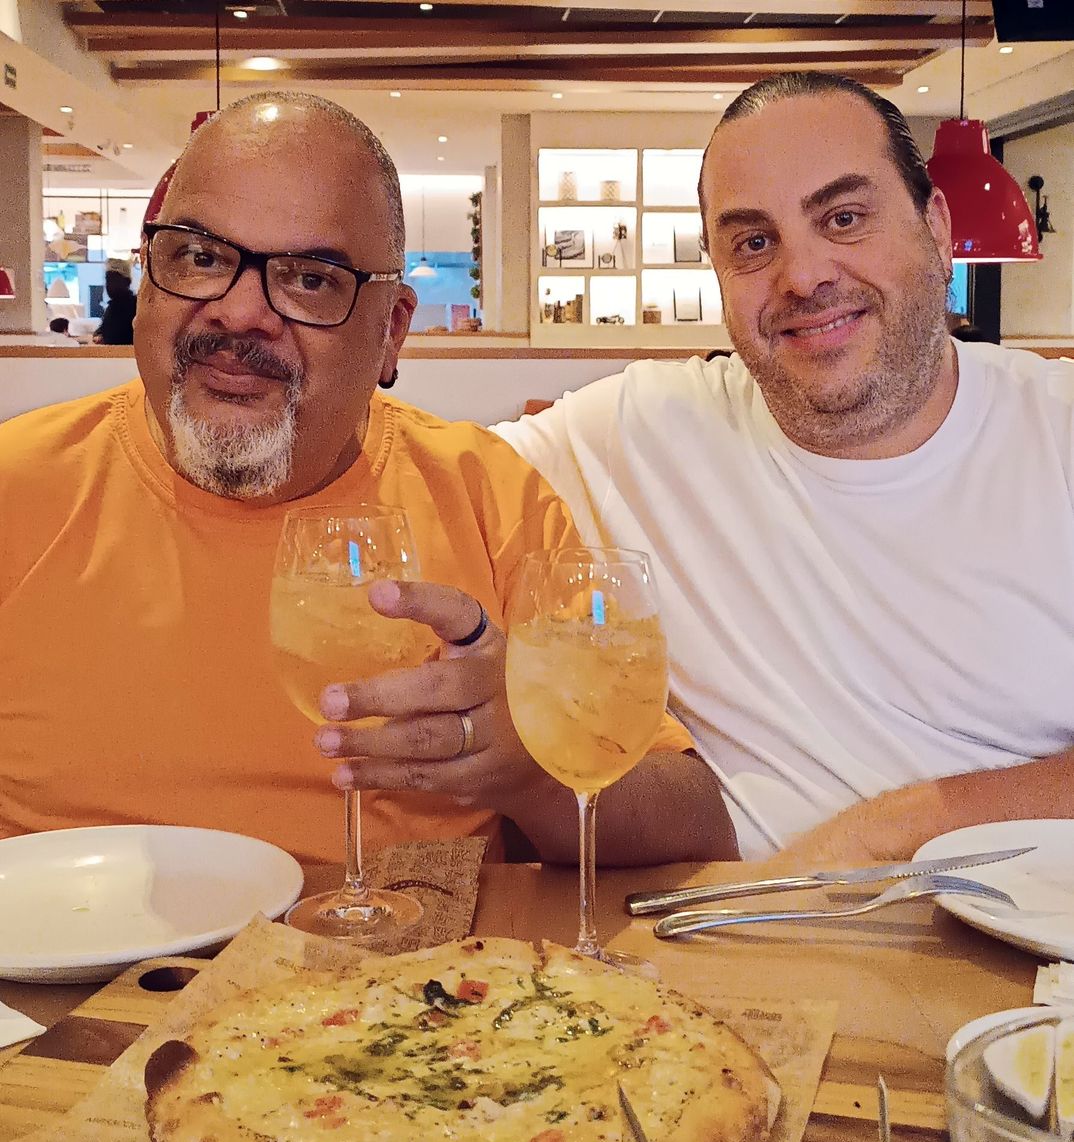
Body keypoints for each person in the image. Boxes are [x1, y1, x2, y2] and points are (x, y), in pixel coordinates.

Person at [0, 91, 735, 869]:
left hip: (411, 945)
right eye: (201, 258)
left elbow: (693, 825)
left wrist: (534, 767)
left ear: (391, 332)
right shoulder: (19, 486)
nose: (240, 312)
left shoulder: (486, 498)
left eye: (311, 279)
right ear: (149, 282)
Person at [495, 71, 1074, 868]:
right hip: (728, 934)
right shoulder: (637, 429)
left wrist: (892, 828)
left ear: (937, 230)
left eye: (844, 218)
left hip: (1027, 932)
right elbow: (408, 470)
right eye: (754, 244)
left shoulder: (1057, 432)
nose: (803, 277)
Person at [93, 258, 137, 345]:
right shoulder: (112, 307)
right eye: (107, 280)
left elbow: (117, 336)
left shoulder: (135, 307)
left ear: (127, 282)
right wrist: (99, 335)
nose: (109, 285)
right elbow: (102, 330)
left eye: (114, 280)